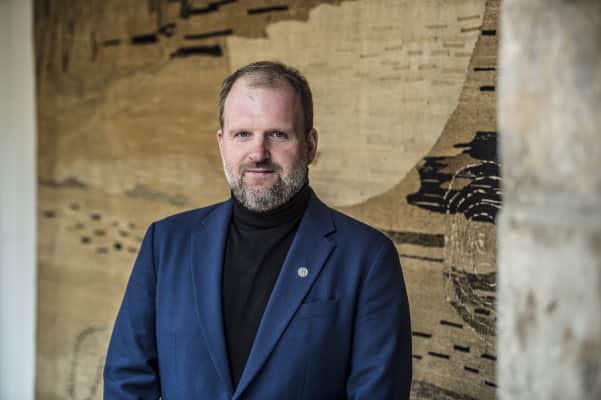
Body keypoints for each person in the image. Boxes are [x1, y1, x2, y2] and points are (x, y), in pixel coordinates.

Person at [103, 61, 412, 399]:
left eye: (278, 134)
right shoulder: (165, 244)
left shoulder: (367, 258)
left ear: (310, 145)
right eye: (242, 134)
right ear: (222, 143)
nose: (258, 153)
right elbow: (127, 381)